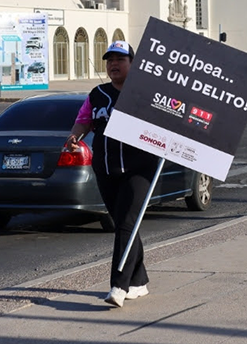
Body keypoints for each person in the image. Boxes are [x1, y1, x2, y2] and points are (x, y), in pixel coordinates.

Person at [65, 40, 157, 308]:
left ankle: (119, 284)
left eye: (120, 59)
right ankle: (139, 281)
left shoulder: (144, 93)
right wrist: (74, 136)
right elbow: (84, 120)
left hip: (139, 168)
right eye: (109, 60)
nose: (113, 64)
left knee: (127, 223)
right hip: (106, 168)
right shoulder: (97, 94)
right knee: (124, 225)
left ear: (133, 63)